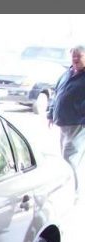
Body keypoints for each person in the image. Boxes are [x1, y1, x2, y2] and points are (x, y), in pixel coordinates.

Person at [47, 45, 85, 193]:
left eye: (79, 56)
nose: (75, 59)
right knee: (65, 158)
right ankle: (69, 189)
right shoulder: (67, 74)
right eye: (73, 56)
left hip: (78, 125)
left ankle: (74, 193)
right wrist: (50, 113)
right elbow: (56, 94)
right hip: (63, 124)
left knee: (70, 159)